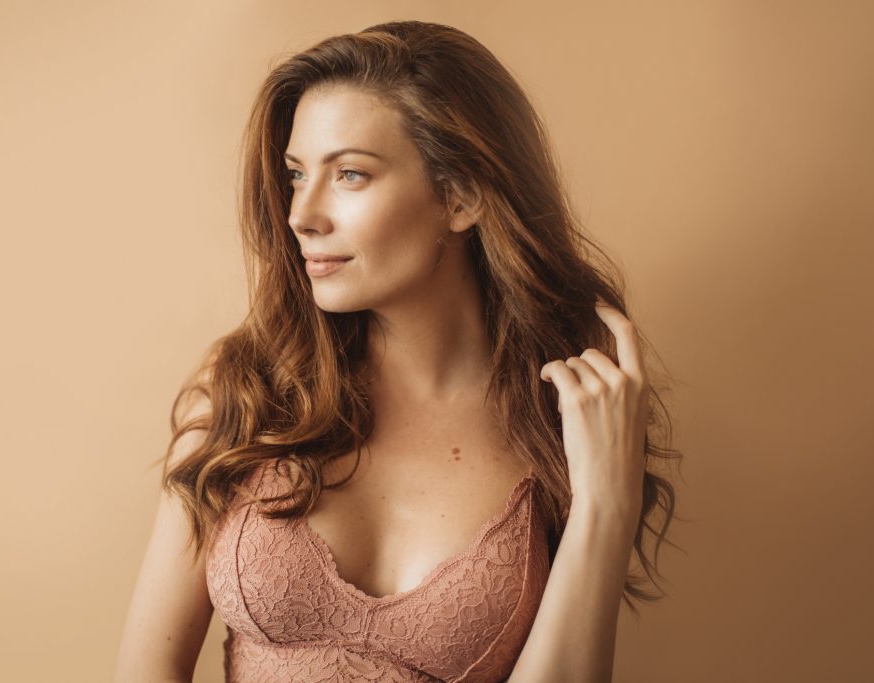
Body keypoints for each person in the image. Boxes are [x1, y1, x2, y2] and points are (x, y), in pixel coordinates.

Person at [114, 19, 681, 683]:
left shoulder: (567, 416)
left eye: (350, 174)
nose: (302, 214)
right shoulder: (246, 389)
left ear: (462, 195)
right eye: (298, 174)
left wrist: (605, 508)